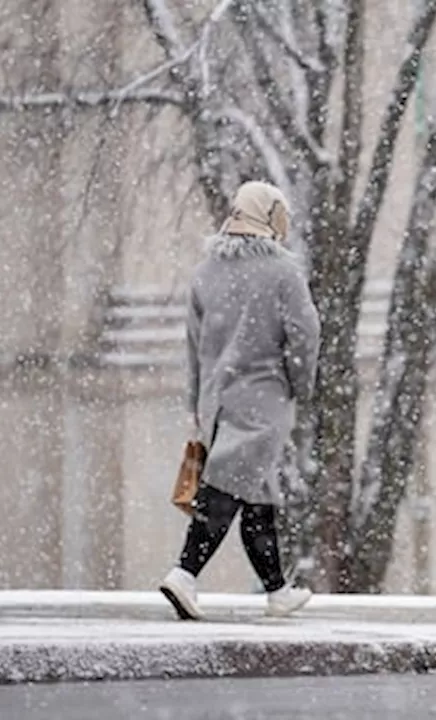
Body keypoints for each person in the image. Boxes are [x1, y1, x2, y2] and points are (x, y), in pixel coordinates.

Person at [159, 180, 321, 620]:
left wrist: (196, 402)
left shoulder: (206, 271)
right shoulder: (282, 272)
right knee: (226, 491)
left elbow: (192, 345)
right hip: (262, 400)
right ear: (269, 216)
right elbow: (306, 333)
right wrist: (299, 383)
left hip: (217, 401)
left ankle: (276, 589)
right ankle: (184, 574)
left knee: (257, 493)